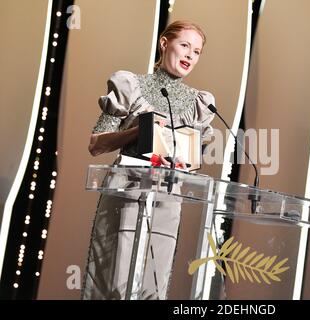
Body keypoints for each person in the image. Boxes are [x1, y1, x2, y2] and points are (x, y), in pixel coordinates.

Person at [81, 20, 215, 300]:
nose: (191, 55)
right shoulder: (131, 85)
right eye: (185, 45)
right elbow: (96, 144)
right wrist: (138, 131)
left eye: (197, 51)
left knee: (154, 284)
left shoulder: (198, 103)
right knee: (116, 280)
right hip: (127, 192)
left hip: (168, 199)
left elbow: (192, 158)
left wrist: (183, 160)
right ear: (164, 44)